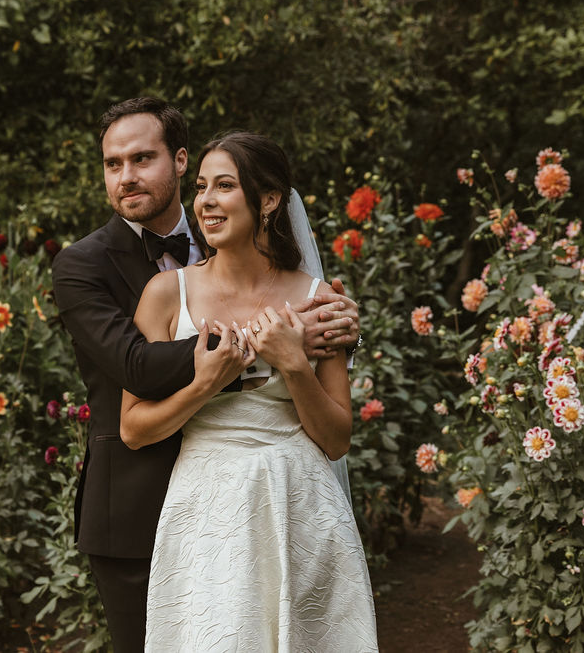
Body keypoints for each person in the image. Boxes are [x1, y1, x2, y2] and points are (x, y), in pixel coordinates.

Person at [50, 98, 361, 651]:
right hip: (146, 507)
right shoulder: (83, 265)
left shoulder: (279, 276)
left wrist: (329, 332)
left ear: (178, 161)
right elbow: (136, 367)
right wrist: (271, 350)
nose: (127, 177)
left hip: (288, 498)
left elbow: (336, 430)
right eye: (112, 164)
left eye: (142, 159)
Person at [120, 131, 378, 651]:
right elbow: (133, 428)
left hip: (299, 500)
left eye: (225, 186)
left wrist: (294, 365)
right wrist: (204, 386)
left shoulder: (316, 300)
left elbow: (337, 439)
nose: (207, 202)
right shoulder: (168, 295)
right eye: (201, 187)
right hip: (205, 500)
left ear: (268, 200)